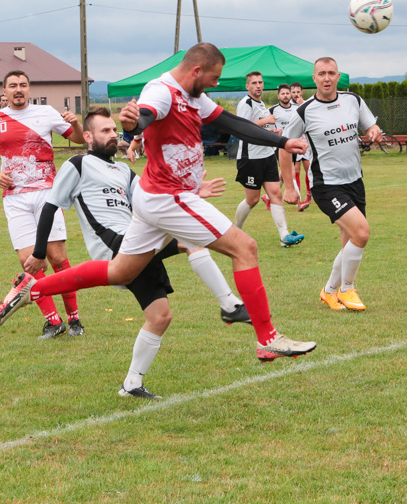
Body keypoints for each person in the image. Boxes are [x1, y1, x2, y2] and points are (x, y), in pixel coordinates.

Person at [0, 42, 316, 363]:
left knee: (120, 271)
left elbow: (233, 124)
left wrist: (283, 141)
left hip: (157, 198)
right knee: (244, 247)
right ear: (196, 70)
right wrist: (133, 124)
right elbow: (144, 116)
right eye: (214, 78)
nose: (216, 84)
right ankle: (265, 335)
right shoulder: (161, 91)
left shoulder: (195, 97)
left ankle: (33, 289)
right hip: (167, 197)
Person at [20, 107, 250, 398]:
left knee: (160, 316)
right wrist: (40, 251)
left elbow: (154, 198)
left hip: (137, 242)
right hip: (114, 245)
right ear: (88, 136)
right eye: (105, 130)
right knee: (191, 238)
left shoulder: (123, 170)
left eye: (115, 130)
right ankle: (228, 304)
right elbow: (51, 206)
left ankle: (131, 385)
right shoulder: (78, 164)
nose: (113, 135)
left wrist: (190, 193)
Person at [0, 70, 87, 339]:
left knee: (57, 258)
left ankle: (74, 319)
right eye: (12, 86)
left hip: (47, 194)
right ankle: (53, 321)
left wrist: (77, 123)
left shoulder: (46, 112)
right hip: (15, 198)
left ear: (29, 89)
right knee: (29, 262)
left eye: (23, 85)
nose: (18, 90)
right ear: (3, 92)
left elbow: (78, 139)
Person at [279, 57, 383, 312]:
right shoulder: (304, 112)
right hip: (326, 185)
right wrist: (290, 186)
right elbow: (284, 147)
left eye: (331, 73)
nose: (327, 78)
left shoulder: (353, 100)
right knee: (362, 233)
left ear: (338, 76)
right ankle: (347, 288)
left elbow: (371, 125)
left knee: (350, 241)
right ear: (313, 79)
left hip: (355, 180)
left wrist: (374, 131)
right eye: (321, 73)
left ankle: (328, 292)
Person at [233, 72, 304, 248]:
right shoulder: (246, 103)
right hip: (250, 158)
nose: (258, 85)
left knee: (275, 194)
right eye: (254, 83)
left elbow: (258, 128)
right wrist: (266, 121)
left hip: (266, 155)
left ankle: (284, 236)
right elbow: (242, 128)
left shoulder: (261, 103)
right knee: (252, 199)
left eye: (261, 82)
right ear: (247, 86)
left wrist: (271, 132)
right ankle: (234, 233)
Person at [277, 83, 312, 211]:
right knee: (293, 171)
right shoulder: (274, 109)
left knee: (306, 169)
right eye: (285, 93)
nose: (288, 95)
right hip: (286, 144)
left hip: (302, 143)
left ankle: (268, 197)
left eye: (298, 91)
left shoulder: (302, 106)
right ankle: (299, 201)